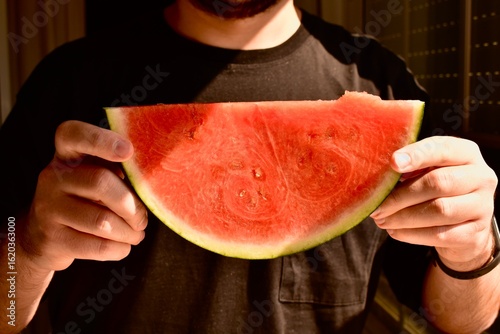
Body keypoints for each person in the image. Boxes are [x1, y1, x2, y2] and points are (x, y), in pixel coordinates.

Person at [0, 0, 499, 333]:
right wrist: (25, 248)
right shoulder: (68, 82)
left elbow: (465, 322)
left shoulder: (386, 88)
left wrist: (476, 249)